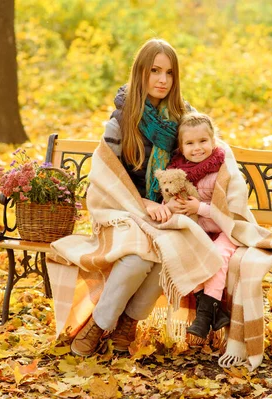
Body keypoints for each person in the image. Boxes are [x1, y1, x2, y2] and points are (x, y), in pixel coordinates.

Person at [69, 38, 194, 356]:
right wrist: (141, 205)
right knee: (139, 258)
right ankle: (99, 324)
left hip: (163, 214)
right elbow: (105, 177)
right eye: (155, 70)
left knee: (167, 254)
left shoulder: (182, 120)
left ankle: (127, 323)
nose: (163, 80)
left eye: (169, 73)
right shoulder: (121, 121)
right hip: (121, 211)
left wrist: (172, 202)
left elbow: (206, 160)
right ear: (141, 73)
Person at [165, 113, 236, 339]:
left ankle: (203, 316)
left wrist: (200, 208)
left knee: (218, 254)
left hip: (226, 230)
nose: (197, 148)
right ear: (181, 147)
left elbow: (232, 213)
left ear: (213, 141)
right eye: (190, 143)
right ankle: (214, 311)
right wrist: (172, 206)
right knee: (185, 252)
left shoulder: (223, 169)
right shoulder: (176, 173)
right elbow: (166, 199)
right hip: (198, 232)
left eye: (203, 141)